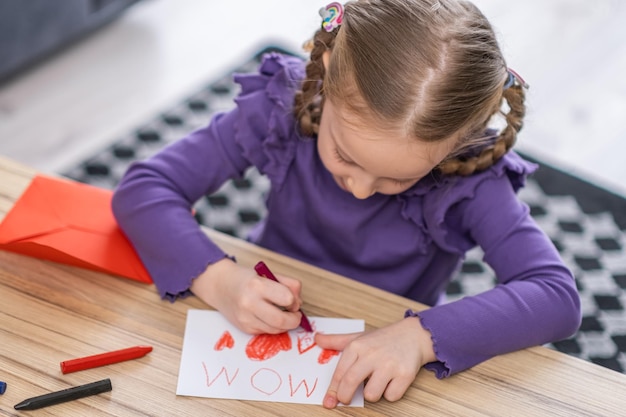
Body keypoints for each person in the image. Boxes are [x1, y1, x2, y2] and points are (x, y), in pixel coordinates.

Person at [112, 0, 581, 408]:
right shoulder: (282, 107)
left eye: (399, 177)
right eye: (344, 155)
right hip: (252, 313)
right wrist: (218, 280)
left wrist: (419, 338)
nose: (359, 189)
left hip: (384, 346)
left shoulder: (473, 177)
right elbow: (145, 189)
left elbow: (556, 296)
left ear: (457, 144)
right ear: (328, 72)